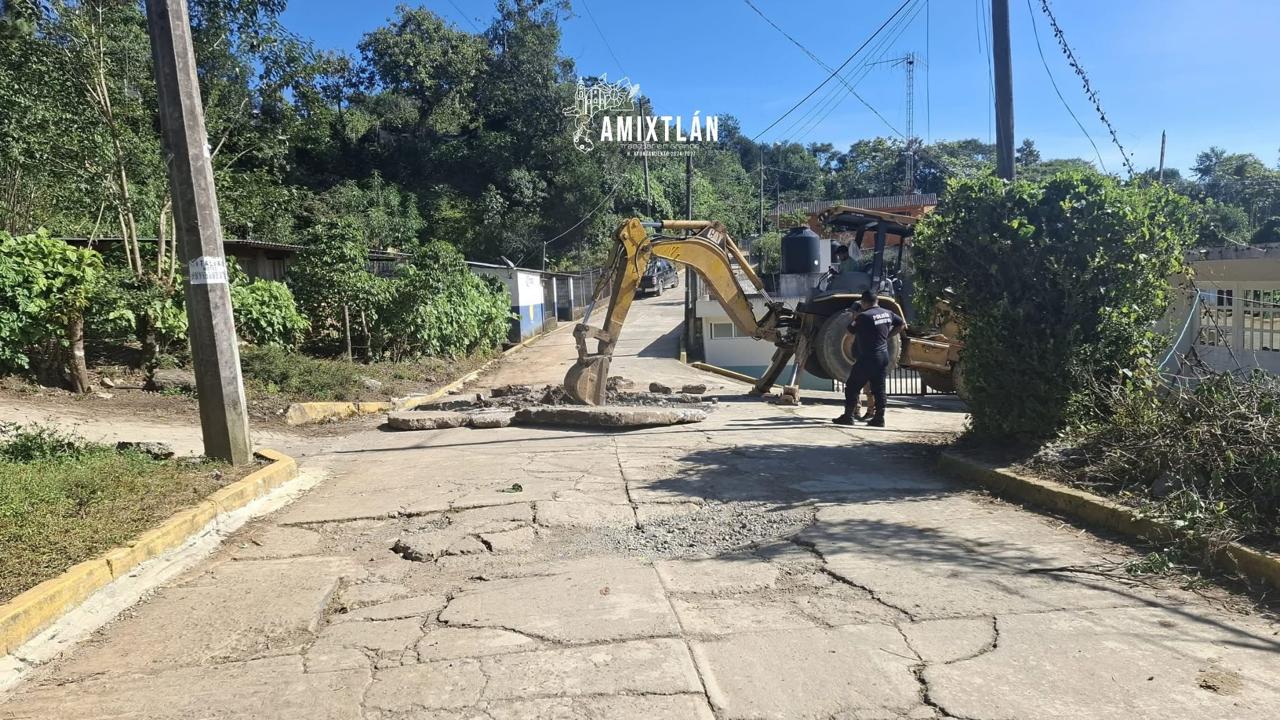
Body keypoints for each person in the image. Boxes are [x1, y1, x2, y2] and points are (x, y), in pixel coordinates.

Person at [833, 290, 905, 427]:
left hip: (867, 358)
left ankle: (848, 416)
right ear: (877, 301)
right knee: (879, 389)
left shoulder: (863, 316)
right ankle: (879, 418)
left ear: (864, 302)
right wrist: (888, 336)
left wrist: (855, 315)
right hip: (883, 356)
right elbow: (901, 324)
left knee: (852, 387)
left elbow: (849, 331)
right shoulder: (887, 313)